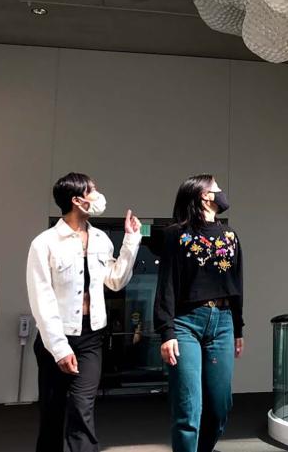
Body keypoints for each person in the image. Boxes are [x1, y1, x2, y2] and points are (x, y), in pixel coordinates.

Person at [26, 172, 142, 452]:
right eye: (94, 191)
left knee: (82, 406)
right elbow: (41, 298)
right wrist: (60, 348)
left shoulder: (101, 239)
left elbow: (115, 279)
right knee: (52, 412)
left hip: (91, 337)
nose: (99, 196)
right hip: (55, 338)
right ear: (77, 200)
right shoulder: (44, 243)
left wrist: (131, 240)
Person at [154, 174, 245, 452]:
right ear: (204, 196)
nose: (221, 193)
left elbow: (237, 285)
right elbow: (166, 285)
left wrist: (238, 329)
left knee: (220, 406)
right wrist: (166, 332)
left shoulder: (230, 236)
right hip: (185, 324)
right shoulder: (175, 235)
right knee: (188, 408)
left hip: (223, 323)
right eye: (216, 189)